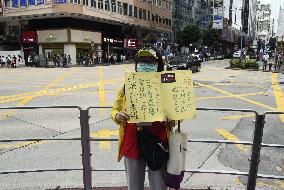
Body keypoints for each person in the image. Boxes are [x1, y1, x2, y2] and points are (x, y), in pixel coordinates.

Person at [111, 45, 176, 190]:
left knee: (159, 186)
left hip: (158, 142)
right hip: (132, 142)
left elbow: (177, 111)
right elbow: (114, 109)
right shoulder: (127, 85)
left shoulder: (166, 85)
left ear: (158, 64)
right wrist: (117, 115)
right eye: (142, 61)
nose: (146, 65)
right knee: (134, 186)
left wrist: (173, 120)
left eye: (150, 62)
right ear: (136, 65)